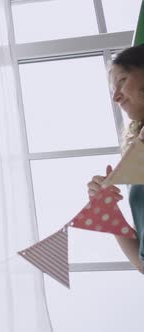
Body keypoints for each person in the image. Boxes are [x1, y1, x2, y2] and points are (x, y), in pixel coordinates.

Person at [87, 45, 144, 273]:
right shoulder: (137, 160)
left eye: (121, 80)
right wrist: (107, 210)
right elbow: (141, 263)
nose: (116, 96)